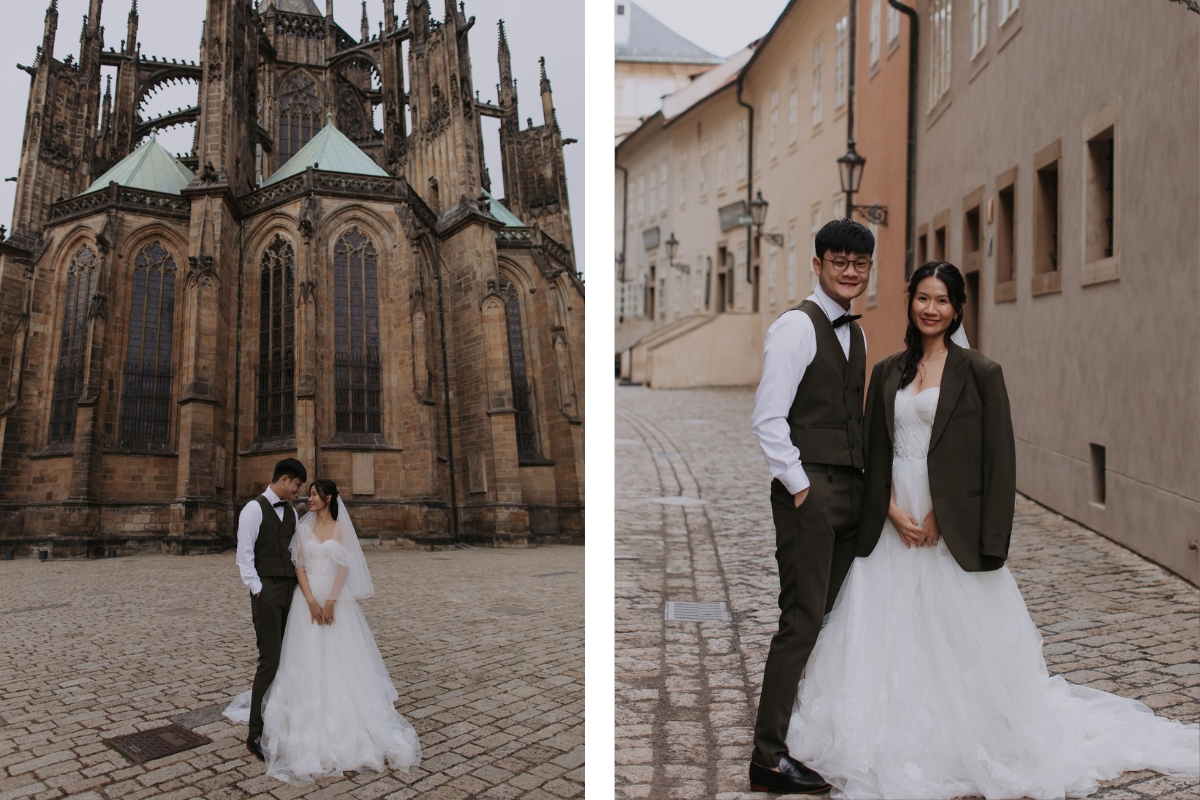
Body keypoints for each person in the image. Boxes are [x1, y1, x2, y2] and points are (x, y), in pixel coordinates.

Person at [783, 261, 1199, 798]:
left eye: (942, 300)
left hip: (947, 525)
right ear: (912, 302)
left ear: (957, 308)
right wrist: (887, 506)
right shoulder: (888, 371)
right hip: (891, 523)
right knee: (881, 630)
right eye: (922, 298)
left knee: (959, 639)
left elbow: (996, 462)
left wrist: (942, 516)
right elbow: (872, 449)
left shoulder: (981, 372)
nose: (930, 309)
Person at [749, 218, 876, 794]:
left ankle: (805, 727)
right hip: (812, 493)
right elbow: (768, 417)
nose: (850, 271)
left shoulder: (858, 334)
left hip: (851, 491)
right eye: (840, 261)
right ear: (819, 264)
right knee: (799, 622)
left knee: (829, 618)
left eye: (860, 263)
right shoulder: (796, 328)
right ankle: (768, 758)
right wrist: (802, 488)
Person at [226, 479, 421, 784]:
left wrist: (329, 602)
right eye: (308, 493)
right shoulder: (302, 527)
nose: (309, 498)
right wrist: (311, 601)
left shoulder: (341, 528)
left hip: (334, 601)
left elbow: (345, 568)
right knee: (303, 658)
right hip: (307, 601)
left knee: (340, 660)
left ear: (328, 498)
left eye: (314, 494)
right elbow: (299, 567)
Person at [234, 457, 307, 762]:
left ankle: (279, 721)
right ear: (285, 479)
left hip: (291, 591)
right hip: (267, 592)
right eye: (297, 485)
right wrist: (259, 590)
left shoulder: (290, 512)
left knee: (289, 658)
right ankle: (254, 733)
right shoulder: (253, 509)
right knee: (270, 661)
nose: (297, 491)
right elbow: (244, 555)